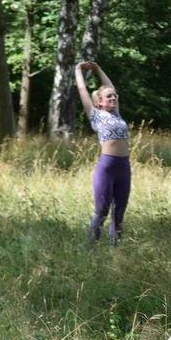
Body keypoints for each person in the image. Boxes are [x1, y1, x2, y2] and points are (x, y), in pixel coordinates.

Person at [74, 61, 129, 245]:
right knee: (102, 211)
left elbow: (111, 86)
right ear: (99, 102)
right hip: (107, 168)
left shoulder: (117, 115)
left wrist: (98, 68)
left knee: (119, 212)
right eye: (108, 97)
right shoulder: (96, 115)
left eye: (115, 96)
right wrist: (78, 70)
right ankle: (90, 246)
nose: (113, 98)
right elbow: (82, 89)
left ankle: (116, 248)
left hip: (124, 167)